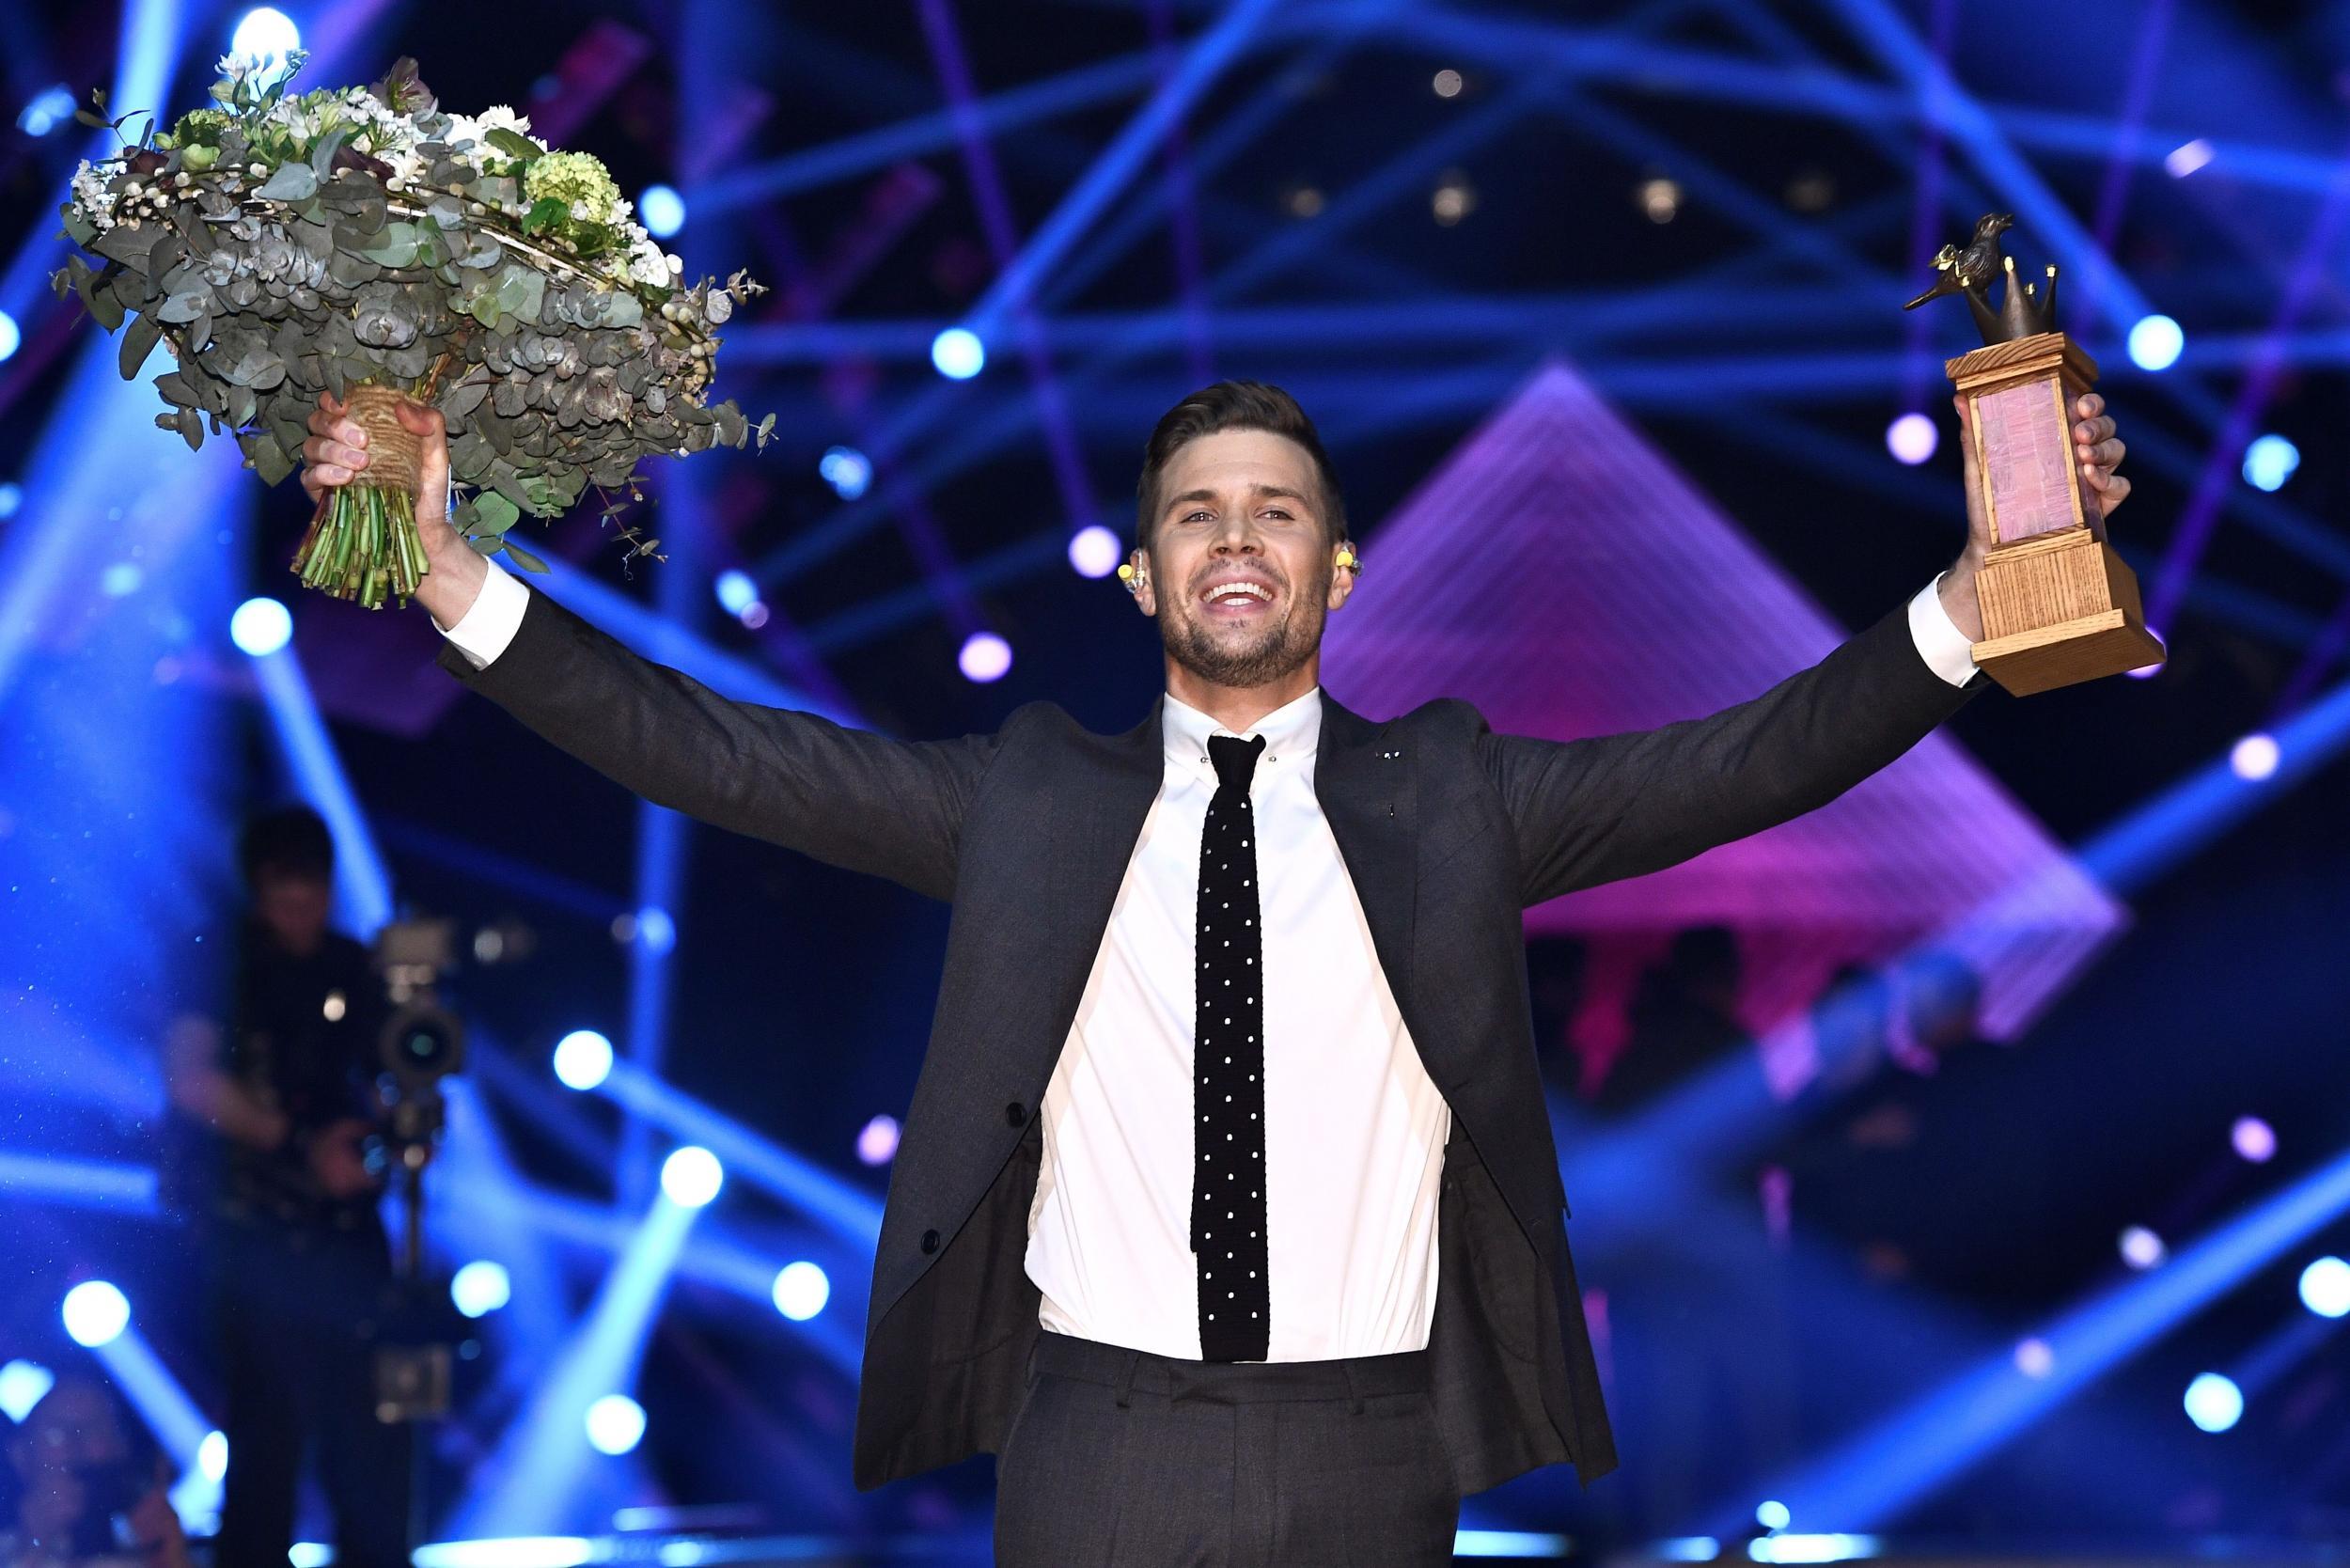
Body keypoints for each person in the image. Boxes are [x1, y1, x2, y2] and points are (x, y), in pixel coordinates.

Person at [300, 375, 2131, 1564]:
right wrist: (456, 573)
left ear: (1331, 574)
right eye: (1194, 510)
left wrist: (1965, 614)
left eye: (1270, 512)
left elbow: (1748, 757)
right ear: (1140, 574)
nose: (1234, 539)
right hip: (1093, 1438)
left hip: (1363, 1445)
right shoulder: (1023, 798)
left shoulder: (1458, 798)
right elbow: (717, 752)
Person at [163, 807, 412, 1568]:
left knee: (370, 1456)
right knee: (266, 1452)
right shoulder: (221, 963)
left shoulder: (358, 968)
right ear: (258, 890)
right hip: (257, 1234)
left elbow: (399, 1084)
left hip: (349, 1245)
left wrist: (391, 1136)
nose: (302, 914)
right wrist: (304, 1142)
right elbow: (190, 1079)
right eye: (285, 897)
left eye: (314, 895)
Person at [0, 1374, 192, 1568]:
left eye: (95, 1430)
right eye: (55, 1434)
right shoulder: (6, 1552)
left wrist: (170, 1558)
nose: (76, 1446)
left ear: (121, 1448)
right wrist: (32, 1550)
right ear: (20, 1456)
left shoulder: (150, 1544)